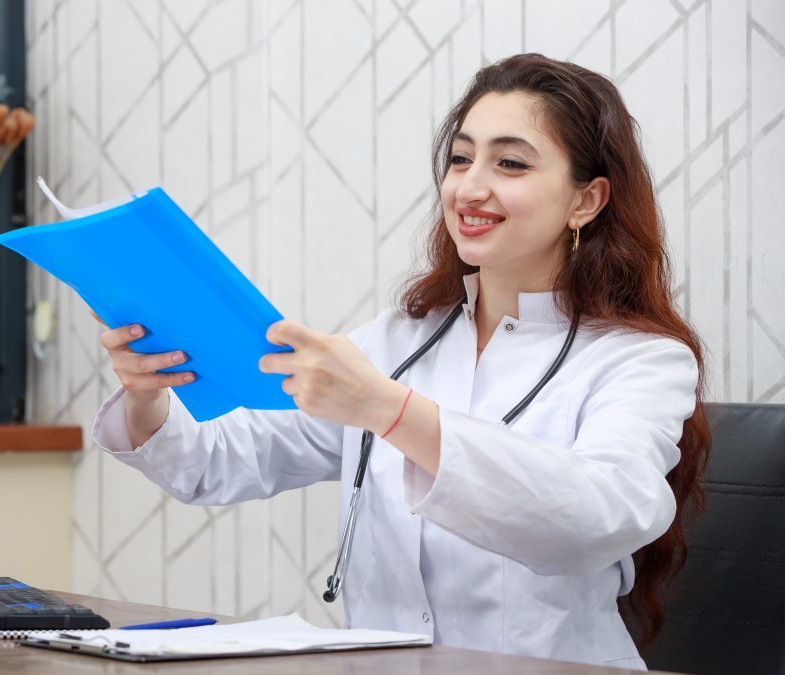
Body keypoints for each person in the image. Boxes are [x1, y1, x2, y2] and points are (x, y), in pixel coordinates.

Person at [90, 53, 709, 670]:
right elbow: (217, 461)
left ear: (587, 200)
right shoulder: (399, 341)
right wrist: (150, 394)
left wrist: (388, 409)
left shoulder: (642, 361)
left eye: (511, 163)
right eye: (461, 158)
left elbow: (597, 517)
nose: (469, 187)